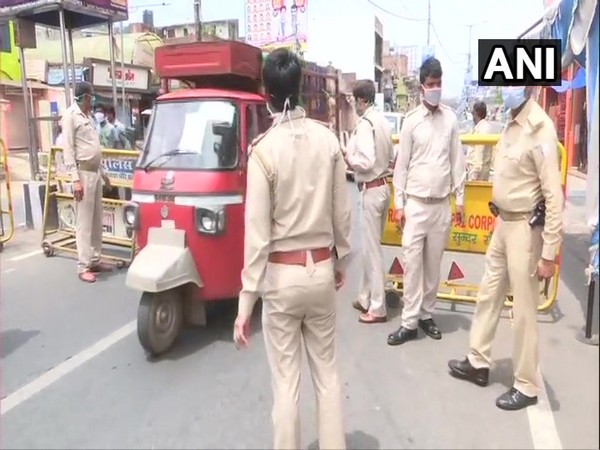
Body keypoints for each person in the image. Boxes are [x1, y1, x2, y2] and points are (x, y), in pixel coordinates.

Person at [233, 48, 351, 450]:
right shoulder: (329, 140)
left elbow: (257, 235)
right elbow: (343, 215)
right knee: (328, 376)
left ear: (266, 91)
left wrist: (246, 303)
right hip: (320, 270)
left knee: (286, 385)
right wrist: (340, 262)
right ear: (300, 88)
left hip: (281, 281)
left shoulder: (264, 151)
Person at [448, 86, 563, 411]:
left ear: (527, 86)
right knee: (488, 293)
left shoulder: (539, 128)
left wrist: (548, 254)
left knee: (524, 310)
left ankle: (526, 385)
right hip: (503, 224)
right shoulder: (510, 124)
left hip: (526, 229)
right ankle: (478, 361)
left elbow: (554, 196)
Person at [388, 57, 466, 346]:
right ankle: (409, 322)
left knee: (433, 265)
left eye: (439, 84)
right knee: (412, 263)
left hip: (441, 205)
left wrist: (460, 200)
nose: (435, 89)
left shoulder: (451, 120)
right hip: (416, 205)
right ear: (422, 87)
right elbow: (402, 167)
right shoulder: (411, 123)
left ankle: (426, 315)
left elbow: (457, 161)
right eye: (431, 85)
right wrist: (399, 203)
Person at [343, 79, 394, 323]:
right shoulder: (382, 122)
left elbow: (366, 160)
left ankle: (377, 307)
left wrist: (349, 158)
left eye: (354, 100)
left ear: (362, 100)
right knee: (369, 248)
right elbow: (390, 156)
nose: (354, 105)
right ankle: (365, 296)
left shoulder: (365, 125)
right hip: (383, 187)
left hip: (371, 189)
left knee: (372, 252)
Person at [61, 82, 113, 283]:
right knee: (84, 222)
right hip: (82, 174)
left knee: (96, 219)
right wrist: (75, 180)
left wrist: (104, 173)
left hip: (95, 173)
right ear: (84, 98)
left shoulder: (88, 117)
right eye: (90, 98)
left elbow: (94, 147)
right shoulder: (70, 116)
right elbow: (69, 150)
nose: (92, 101)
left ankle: (95, 259)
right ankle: (83, 266)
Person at [467, 101, 494, 181]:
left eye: (473, 112)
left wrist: (475, 174)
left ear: (476, 113)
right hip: (480, 170)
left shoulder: (482, 130)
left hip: (478, 173)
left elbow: (480, 152)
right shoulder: (483, 127)